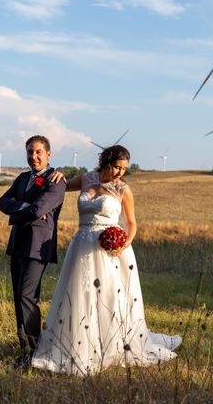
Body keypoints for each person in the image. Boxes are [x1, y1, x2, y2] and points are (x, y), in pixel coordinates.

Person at [31, 145, 181, 375]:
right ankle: (75, 343)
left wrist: (123, 243)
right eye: (117, 167)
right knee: (79, 295)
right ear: (106, 163)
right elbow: (58, 187)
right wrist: (58, 172)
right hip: (81, 246)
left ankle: (110, 344)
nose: (120, 172)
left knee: (109, 298)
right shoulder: (86, 179)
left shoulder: (123, 189)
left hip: (109, 250)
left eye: (124, 169)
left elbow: (131, 224)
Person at [0, 135, 66, 367]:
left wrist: (21, 209)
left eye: (38, 152)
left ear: (48, 154)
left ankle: (34, 352)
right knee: (18, 297)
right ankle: (25, 350)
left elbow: (40, 209)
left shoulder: (56, 181)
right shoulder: (22, 178)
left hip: (38, 246)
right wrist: (23, 206)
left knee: (28, 296)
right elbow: (2, 202)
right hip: (17, 243)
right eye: (30, 152)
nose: (33, 156)